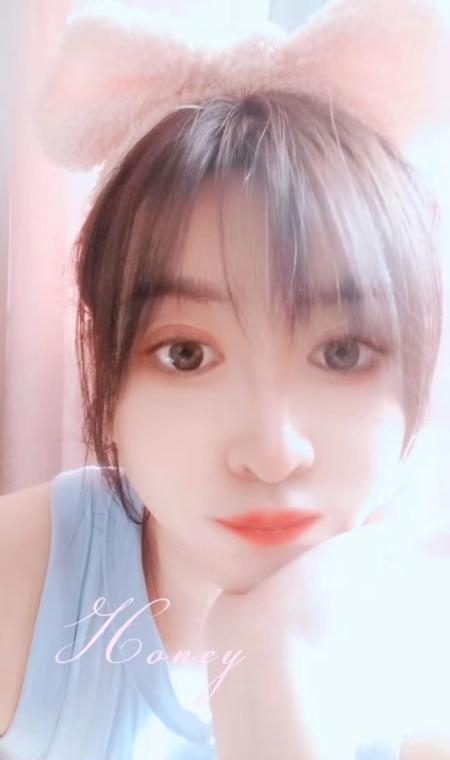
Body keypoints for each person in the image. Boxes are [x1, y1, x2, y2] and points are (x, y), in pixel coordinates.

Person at [1, 1, 450, 759]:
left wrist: (270, 668)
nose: (273, 454)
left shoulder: (424, 653)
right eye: (186, 354)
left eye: (341, 353)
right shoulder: (25, 576)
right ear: (105, 365)